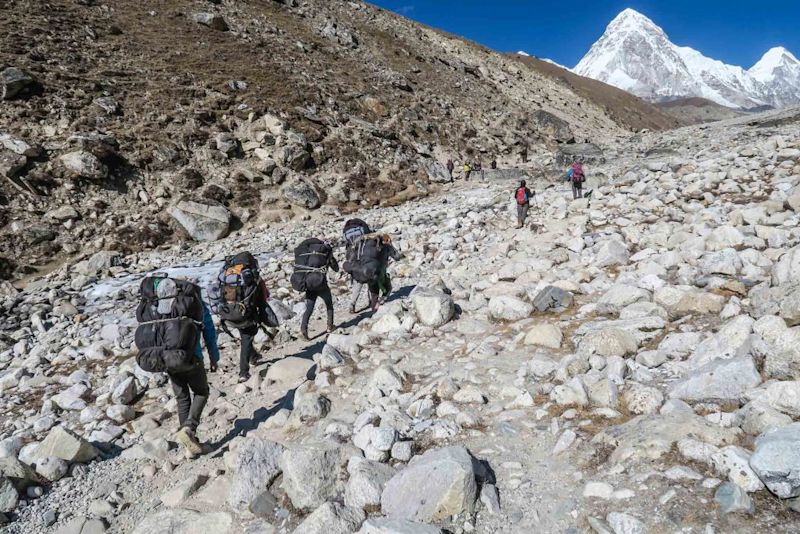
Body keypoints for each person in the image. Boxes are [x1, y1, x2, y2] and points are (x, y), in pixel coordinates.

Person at [210, 252, 278, 382]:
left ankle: (254, 357)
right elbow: (262, 299)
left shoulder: (227, 275)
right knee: (246, 339)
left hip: (228, 312)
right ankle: (243, 372)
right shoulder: (252, 279)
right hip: (246, 314)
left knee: (245, 337)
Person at [172, 298, 219, 457]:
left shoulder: (164, 307)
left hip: (169, 360)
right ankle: (189, 428)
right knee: (201, 392)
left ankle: (188, 447)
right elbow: (209, 331)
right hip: (193, 358)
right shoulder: (196, 304)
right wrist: (214, 356)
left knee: (182, 398)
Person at [296, 239, 339, 340]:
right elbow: (336, 268)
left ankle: (303, 330)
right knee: (329, 304)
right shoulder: (324, 252)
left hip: (309, 284)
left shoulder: (307, 254)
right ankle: (330, 326)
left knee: (309, 309)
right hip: (321, 284)